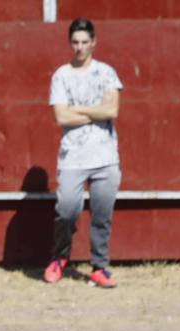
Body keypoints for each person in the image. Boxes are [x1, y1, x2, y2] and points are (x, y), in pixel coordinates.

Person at [44, 18, 123, 289]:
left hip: (105, 157)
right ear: (70, 43)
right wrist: (94, 110)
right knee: (66, 210)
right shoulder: (61, 75)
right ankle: (60, 256)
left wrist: (77, 110)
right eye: (75, 42)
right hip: (73, 157)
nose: (79, 47)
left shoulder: (107, 73)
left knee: (102, 214)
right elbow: (61, 117)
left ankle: (99, 267)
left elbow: (111, 111)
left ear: (93, 43)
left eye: (84, 42)